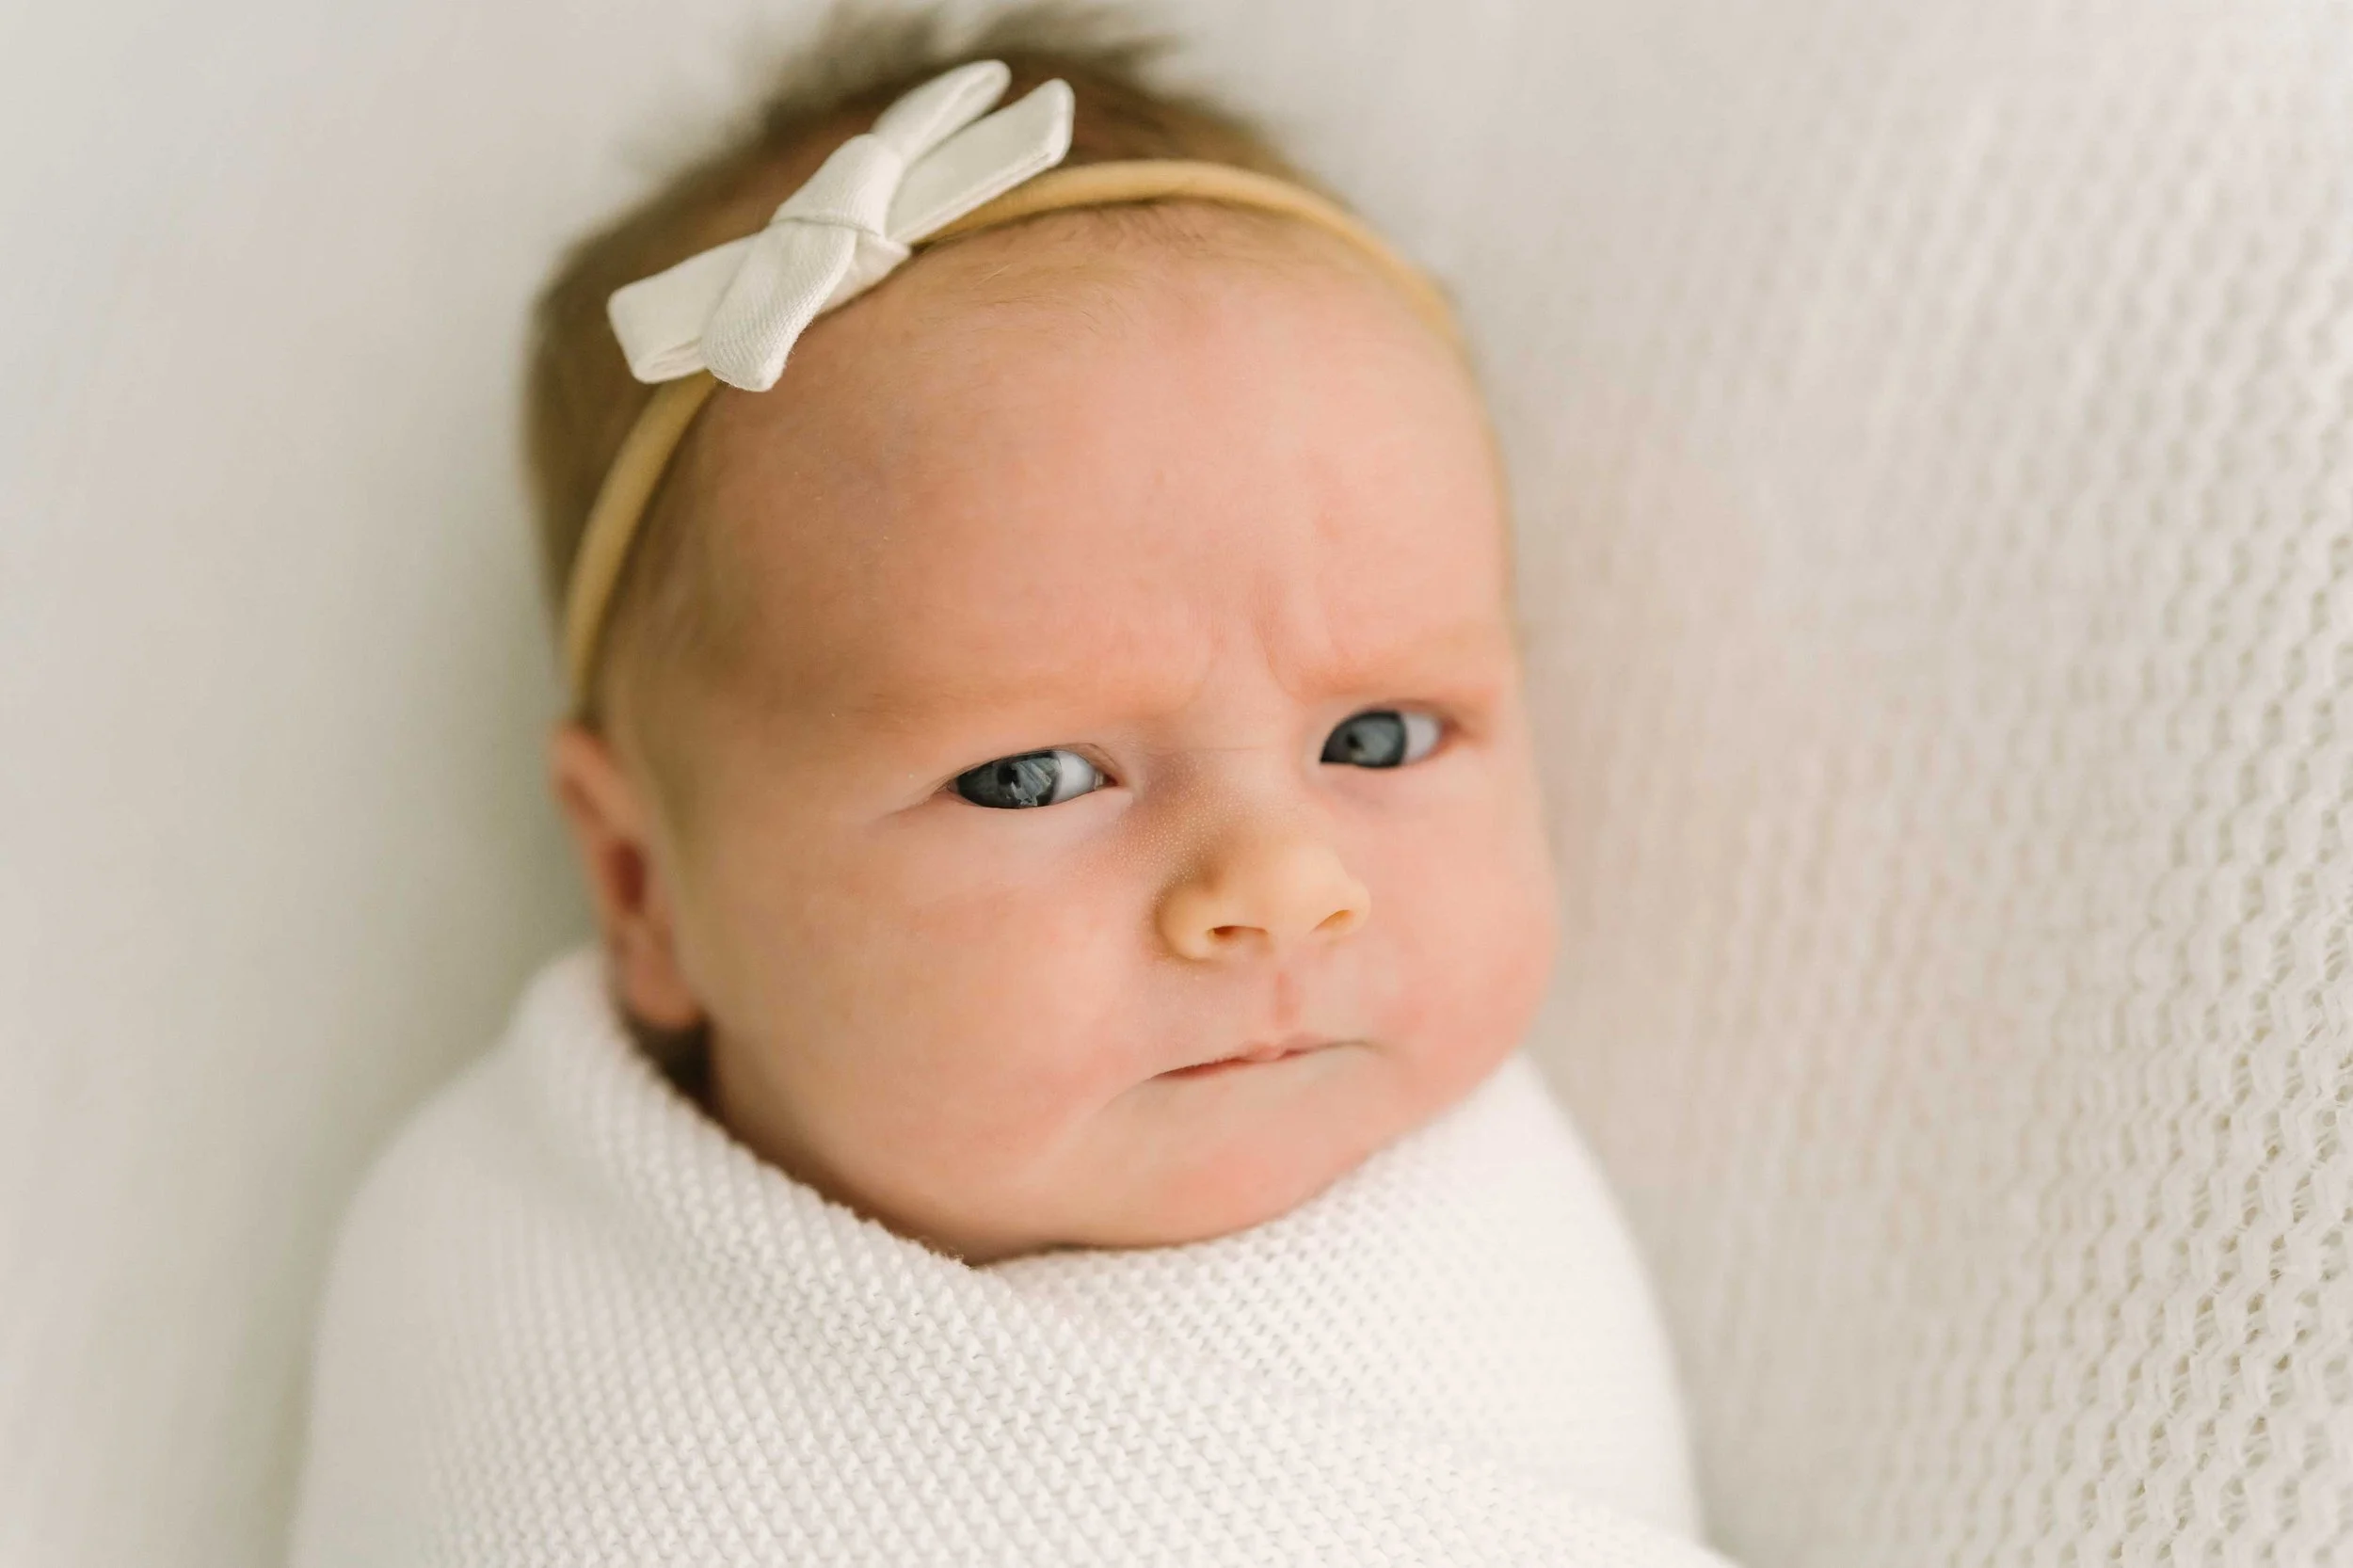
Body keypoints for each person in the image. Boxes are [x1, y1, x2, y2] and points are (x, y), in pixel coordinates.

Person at [290, 8, 1721, 1561]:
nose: (1282, 885)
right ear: (645, 883)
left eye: (1376, 740)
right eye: (1035, 777)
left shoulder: (1493, 1269)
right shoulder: (513, 1285)